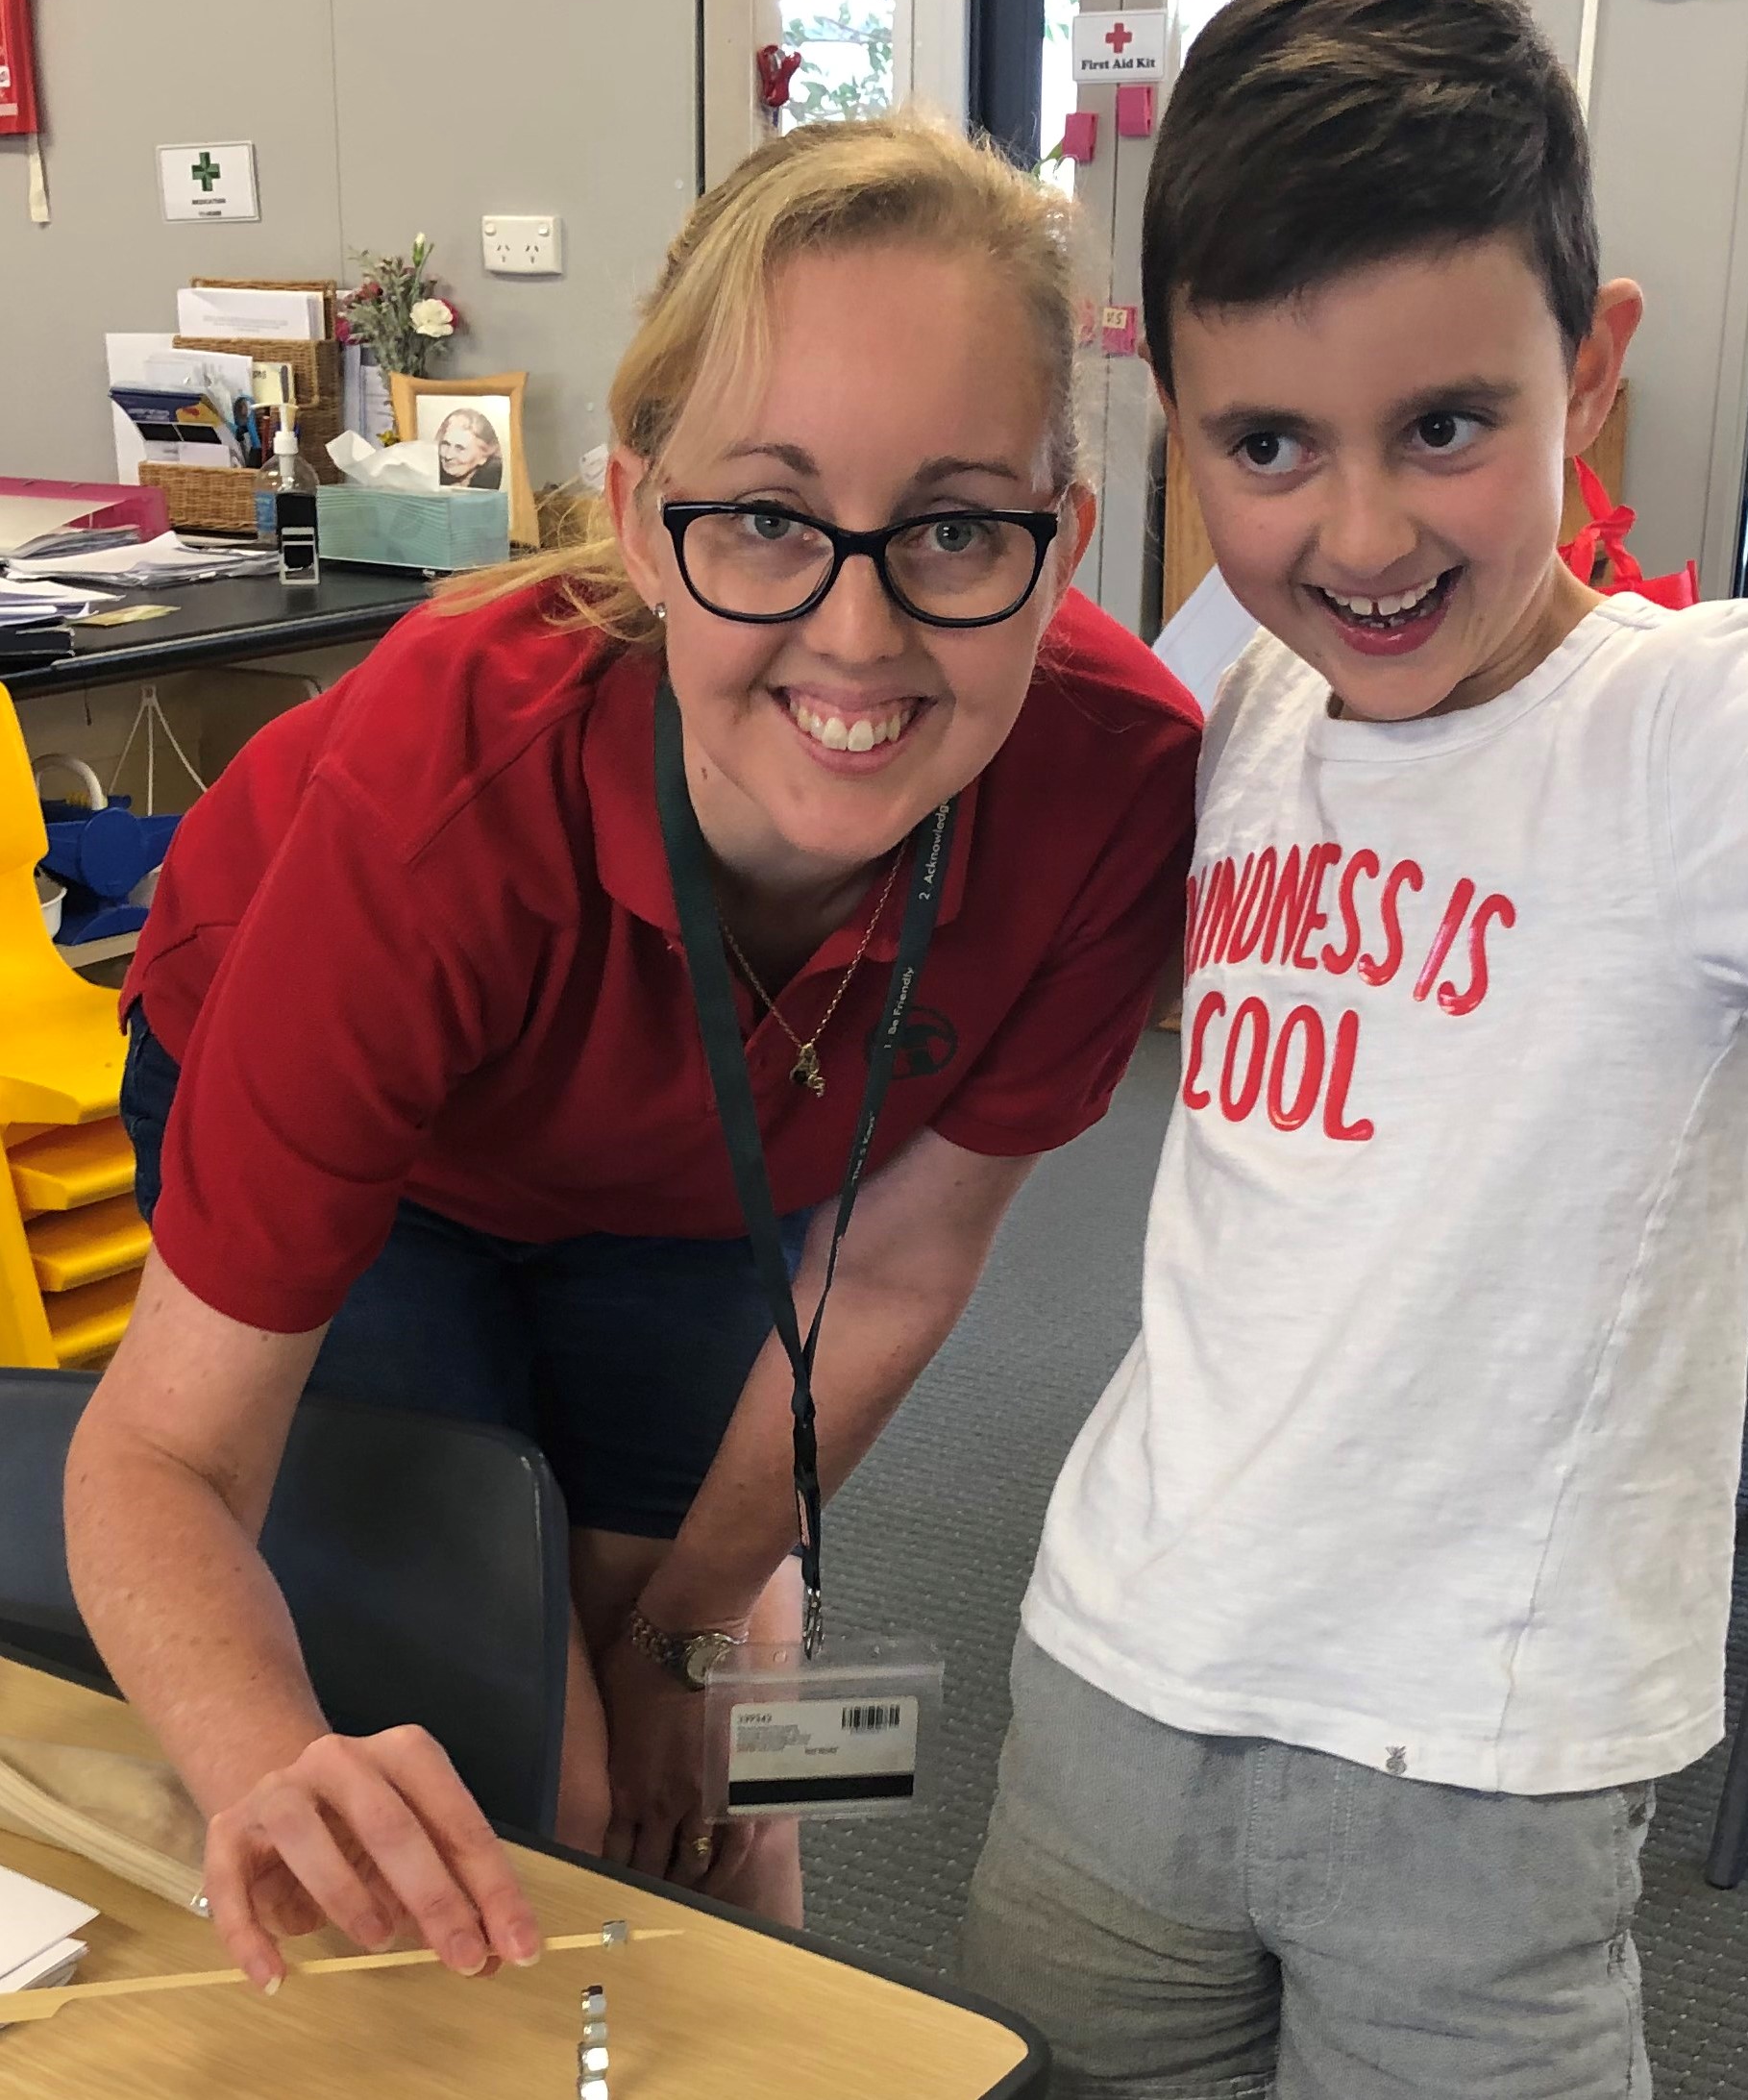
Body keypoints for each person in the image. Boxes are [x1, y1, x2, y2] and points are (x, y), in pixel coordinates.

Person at [62, 111, 1201, 1994]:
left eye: (951, 525)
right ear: (636, 517)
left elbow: (896, 1265)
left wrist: (687, 1639)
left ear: (1060, 535)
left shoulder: (1113, 786)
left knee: (699, 1767)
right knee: (528, 1768)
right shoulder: (447, 791)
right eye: (763, 514)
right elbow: (160, 1460)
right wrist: (270, 1760)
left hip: (705, 1182)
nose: (858, 628)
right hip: (393, 1165)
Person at [963, 0, 1748, 2099]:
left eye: (1446, 425)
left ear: (1591, 368)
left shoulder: (1702, 727)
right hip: (1115, 1685)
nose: (1356, 530)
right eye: (1268, 441)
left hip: (1478, 1773)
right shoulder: (1243, 691)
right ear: (1178, 418)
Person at [434, 407, 504, 489]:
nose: (448, 456)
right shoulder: (432, 477)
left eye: (460, 448)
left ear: (483, 457)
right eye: (446, 444)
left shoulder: (490, 490)